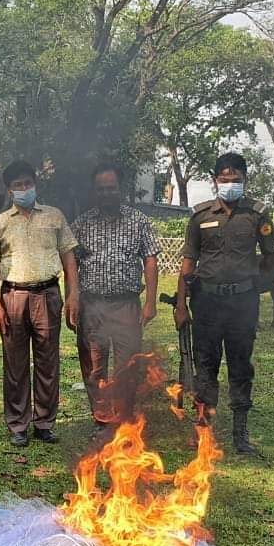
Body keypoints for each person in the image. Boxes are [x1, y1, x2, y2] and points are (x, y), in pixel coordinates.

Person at [173, 152, 274, 455]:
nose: (230, 184)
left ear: (245, 180)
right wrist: (181, 306)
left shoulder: (257, 215)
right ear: (215, 180)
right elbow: (188, 264)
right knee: (205, 365)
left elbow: (271, 256)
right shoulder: (200, 217)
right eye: (224, 179)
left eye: (236, 179)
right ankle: (203, 431)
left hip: (242, 304)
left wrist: (257, 284)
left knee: (240, 365)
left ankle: (240, 433)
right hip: (206, 302)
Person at [0, 160, 79, 446]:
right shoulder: (0, 223)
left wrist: (73, 295)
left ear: (36, 184)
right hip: (13, 296)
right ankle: (18, 425)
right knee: (15, 364)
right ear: (9, 190)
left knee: (48, 362)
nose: (24, 189)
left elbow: (69, 258)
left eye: (28, 183)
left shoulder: (54, 216)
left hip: (47, 294)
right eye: (17, 185)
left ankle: (45, 423)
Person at [71, 161, 161, 429]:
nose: (106, 193)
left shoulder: (138, 221)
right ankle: (101, 420)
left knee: (128, 366)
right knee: (95, 368)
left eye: (111, 188)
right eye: (101, 189)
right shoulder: (82, 224)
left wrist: (151, 302)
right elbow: (70, 263)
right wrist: (72, 299)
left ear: (120, 188)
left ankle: (123, 423)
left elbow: (150, 260)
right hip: (92, 307)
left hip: (126, 306)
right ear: (94, 191)